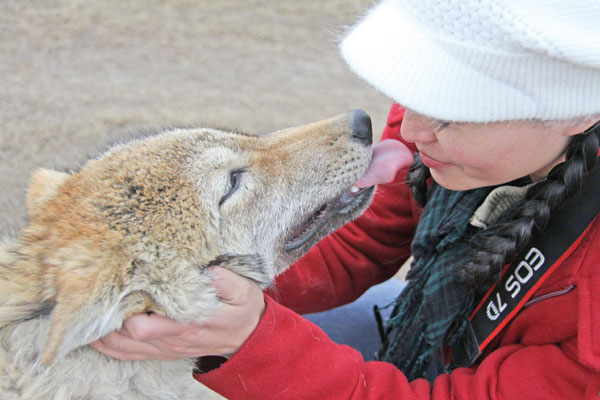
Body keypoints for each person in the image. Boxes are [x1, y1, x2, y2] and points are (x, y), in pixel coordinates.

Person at [90, 0, 600, 398]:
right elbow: (359, 242)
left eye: (451, 114)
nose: (411, 130)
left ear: (576, 113)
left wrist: (252, 341)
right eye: (413, 93)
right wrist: (197, 296)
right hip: (432, 339)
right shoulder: (447, 130)